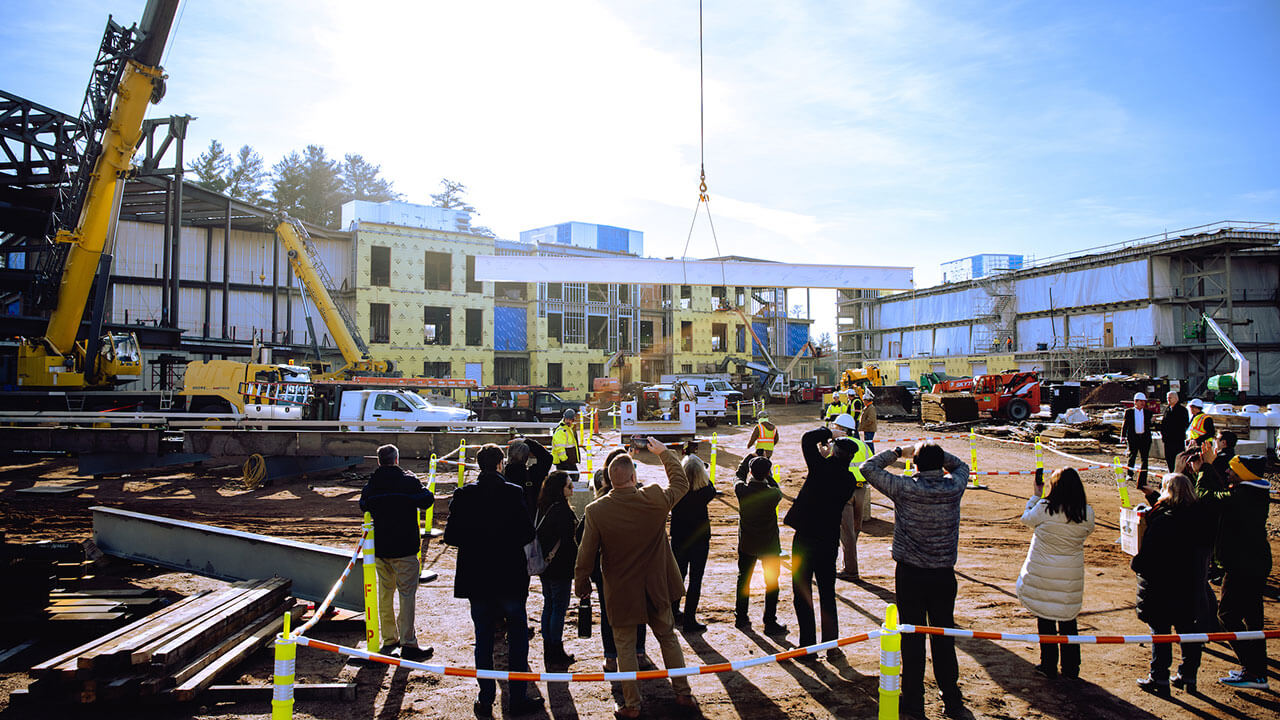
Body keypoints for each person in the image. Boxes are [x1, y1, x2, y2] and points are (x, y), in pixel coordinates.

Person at [574, 437, 697, 718]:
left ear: (607, 478)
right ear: (634, 476)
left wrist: (581, 585)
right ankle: (683, 694)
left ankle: (631, 705)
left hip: (621, 591)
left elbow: (586, 554)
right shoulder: (653, 498)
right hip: (656, 587)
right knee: (667, 637)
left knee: (625, 648)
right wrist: (665, 453)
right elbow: (681, 485)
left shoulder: (596, 511)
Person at [861, 441, 971, 720]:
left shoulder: (905, 487)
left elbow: (868, 467)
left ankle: (913, 702)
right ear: (939, 463)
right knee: (944, 635)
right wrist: (933, 455)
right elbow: (961, 466)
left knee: (912, 638)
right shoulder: (953, 486)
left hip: (910, 573)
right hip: (943, 572)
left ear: (916, 465)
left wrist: (899, 452)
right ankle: (952, 698)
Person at [443, 444, 543, 717]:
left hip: (478, 578)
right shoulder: (513, 493)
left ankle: (485, 697)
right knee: (518, 639)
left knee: (484, 638)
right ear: (500, 464)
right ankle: (518, 697)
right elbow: (526, 533)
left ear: (479, 465)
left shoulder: (464, 495)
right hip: (509, 576)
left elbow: (450, 536)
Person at [1196, 445, 1271, 690]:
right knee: (1253, 620)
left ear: (1243, 475)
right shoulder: (1251, 494)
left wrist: (1205, 468)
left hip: (1241, 567)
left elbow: (1206, 496)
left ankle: (1252, 669)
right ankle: (1257, 673)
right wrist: (1211, 465)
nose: (1228, 472)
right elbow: (1221, 492)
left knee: (1227, 616)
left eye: (1232, 470)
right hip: (1255, 564)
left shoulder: (1241, 497)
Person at [1132, 473, 1214, 695]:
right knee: (1189, 632)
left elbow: (1146, 559)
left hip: (1161, 587)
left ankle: (1159, 677)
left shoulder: (1162, 522)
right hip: (1191, 586)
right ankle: (1189, 675)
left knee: (1161, 633)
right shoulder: (1201, 518)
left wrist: (1136, 562)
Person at [1016, 468, 1095, 680]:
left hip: (1043, 570)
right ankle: (1071, 667)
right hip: (1070, 573)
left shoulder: (1044, 508)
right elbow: (1088, 530)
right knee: (1069, 620)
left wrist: (1035, 495)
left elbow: (1026, 519)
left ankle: (1048, 664)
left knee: (1046, 618)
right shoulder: (1086, 513)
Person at [784, 426, 857, 654]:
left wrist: (829, 432)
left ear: (834, 451)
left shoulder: (820, 468)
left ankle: (807, 644)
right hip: (828, 540)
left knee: (802, 591)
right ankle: (831, 645)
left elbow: (807, 439)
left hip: (805, 537)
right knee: (827, 593)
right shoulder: (849, 480)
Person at [359, 444, 436, 660]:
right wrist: (415, 484)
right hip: (406, 547)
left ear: (378, 461)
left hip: (382, 548)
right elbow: (427, 500)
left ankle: (389, 639)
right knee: (407, 594)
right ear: (396, 460)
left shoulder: (373, 483)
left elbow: (363, 504)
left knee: (385, 593)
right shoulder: (408, 481)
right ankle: (408, 643)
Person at [581, 448, 648, 672]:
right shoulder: (639, 496)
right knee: (639, 609)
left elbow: (582, 535)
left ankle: (611, 657)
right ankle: (638, 653)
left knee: (609, 612)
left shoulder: (598, 501)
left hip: (606, 567)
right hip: (634, 565)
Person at [733, 454, 786, 635]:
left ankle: (741, 617)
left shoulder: (742, 490)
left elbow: (737, 477)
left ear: (751, 472)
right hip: (769, 544)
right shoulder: (773, 494)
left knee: (744, 580)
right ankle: (769, 621)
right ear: (767, 473)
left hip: (747, 543)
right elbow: (775, 486)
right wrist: (768, 474)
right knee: (771, 583)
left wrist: (747, 459)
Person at [535, 471, 579, 667]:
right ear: (560, 490)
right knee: (558, 609)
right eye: (569, 486)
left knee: (549, 606)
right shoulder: (563, 512)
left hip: (546, 566)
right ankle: (555, 649)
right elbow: (570, 543)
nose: (573, 488)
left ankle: (549, 648)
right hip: (560, 568)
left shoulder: (545, 508)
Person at [670, 442, 715, 632]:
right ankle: (689, 619)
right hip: (699, 541)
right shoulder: (705, 492)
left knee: (677, 577)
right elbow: (710, 484)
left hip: (679, 539)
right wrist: (701, 470)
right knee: (695, 580)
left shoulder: (676, 493)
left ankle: (673, 613)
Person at [829, 413, 873, 581]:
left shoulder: (837, 446)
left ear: (842, 429)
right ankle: (848, 562)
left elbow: (826, 464)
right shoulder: (862, 446)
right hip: (861, 491)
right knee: (855, 528)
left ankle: (851, 570)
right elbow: (870, 466)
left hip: (844, 492)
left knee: (846, 532)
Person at [507, 436, 553, 521]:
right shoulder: (534, 474)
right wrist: (527, 441)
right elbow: (547, 458)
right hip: (529, 521)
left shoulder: (502, 475)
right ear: (527, 456)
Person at [1122, 392, 1154, 488]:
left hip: (1145, 438)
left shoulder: (1148, 413)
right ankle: (1130, 474)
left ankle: (1143, 476)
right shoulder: (1129, 412)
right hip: (1133, 438)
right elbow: (1125, 425)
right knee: (1132, 456)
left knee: (1145, 458)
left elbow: (1150, 426)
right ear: (1135, 402)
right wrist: (1123, 436)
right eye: (1140, 401)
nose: (1142, 403)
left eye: (1143, 401)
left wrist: (1152, 422)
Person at [1159, 391, 1190, 468]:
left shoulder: (1182, 410)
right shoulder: (1167, 410)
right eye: (1167, 398)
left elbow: (1184, 424)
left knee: (1179, 459)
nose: (1168, 399)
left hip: (1177, 440)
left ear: (1176, 398)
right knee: (1169, 459)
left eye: (1170, 398)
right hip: (1167, 440)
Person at [551, 408, 581, 474]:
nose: (568, 421)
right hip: (563, 461)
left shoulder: (568, 429)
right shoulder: (562, 430)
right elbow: (559, 448)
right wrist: (564, 460)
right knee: (573, 476)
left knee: (574, 475)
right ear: (564, 419)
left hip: (568, 460)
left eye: (570, 420)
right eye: (567, 419)